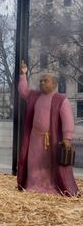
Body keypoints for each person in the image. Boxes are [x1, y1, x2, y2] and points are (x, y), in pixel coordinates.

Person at [17, 61, 80, 197]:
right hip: (35, 138)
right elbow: (23, 92)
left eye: (46, 81)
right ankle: (32, 185)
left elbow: (68, 120)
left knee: (48, 165)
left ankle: (49, 187)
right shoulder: (35, 96)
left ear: (54, 84)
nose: (42, 83)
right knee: (34, 163)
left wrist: (67, 138)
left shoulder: (61, 100)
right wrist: (23, 74)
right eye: (41, 81)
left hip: (51, 140)